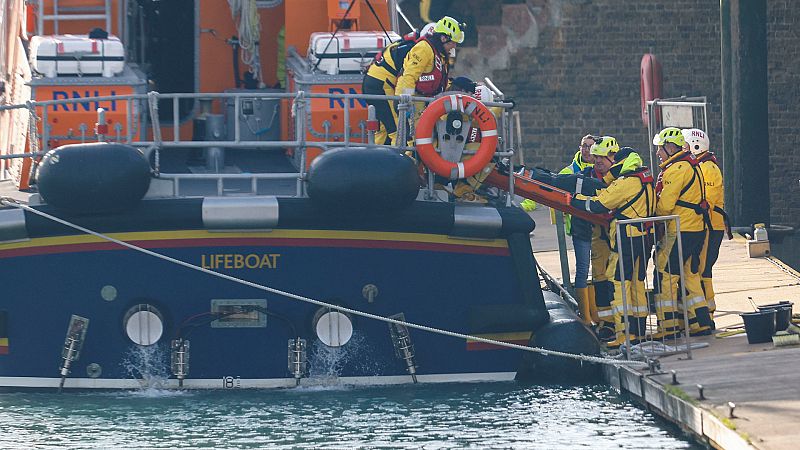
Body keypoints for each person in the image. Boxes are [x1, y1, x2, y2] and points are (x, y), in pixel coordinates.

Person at [573, 145, 656, 347]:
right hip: (644, 238)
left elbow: (598, 204)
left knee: (619, 284)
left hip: (625, 239)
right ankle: (637, 331)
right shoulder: (646, 180)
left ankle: (624, 333)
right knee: (637, 284)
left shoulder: (625, 183)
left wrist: (575, 200)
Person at [653, 127, 713, 337]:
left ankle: (668, 327)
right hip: (696, 228)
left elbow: (665, 206)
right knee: (690, 274)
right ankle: (701, 322)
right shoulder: (691, 165)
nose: (658, 153)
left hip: (681, 229)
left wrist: (652, 210)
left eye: (660, 149)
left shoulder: (676, 169)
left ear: (670, 147)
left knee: (666, 274)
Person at [683, 128, 730, 323]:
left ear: (695, 146)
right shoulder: (701, 165)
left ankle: (707, 314)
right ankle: (705, 312)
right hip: (708, 225)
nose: (682, 148)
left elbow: (706, 201)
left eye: (684, 145)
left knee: (703, 269)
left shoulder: (707, 168)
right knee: (702, 269)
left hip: (711, 225)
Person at [394, 16, 465, 145]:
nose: (454, 46)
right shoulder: (424, 48)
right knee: (413, 140)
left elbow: (439, 79)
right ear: (443, 38)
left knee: (429, 138)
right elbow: (409, 76)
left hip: (425, 100)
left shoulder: (440, 53)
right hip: (411, 99)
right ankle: (412, 164)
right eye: (452, 43)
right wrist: (407, 101)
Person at [362, 23, 436, 145]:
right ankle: (398, 162)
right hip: (382, 85)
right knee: (399, 130)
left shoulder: (405, 45)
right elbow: (408, 77)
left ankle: (376, 159)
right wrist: (406, 100)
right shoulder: (418, 50)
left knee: (384, 129)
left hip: (371, 82)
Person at [558, 134, 597, 324]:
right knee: (583, 269)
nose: (586, 149)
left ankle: (598, 312)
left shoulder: (602, 168)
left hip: (599, 228)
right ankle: (586, 315)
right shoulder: (569, 171)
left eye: (590, 146)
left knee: (600, 270)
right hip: (579, 227)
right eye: (584, 146)